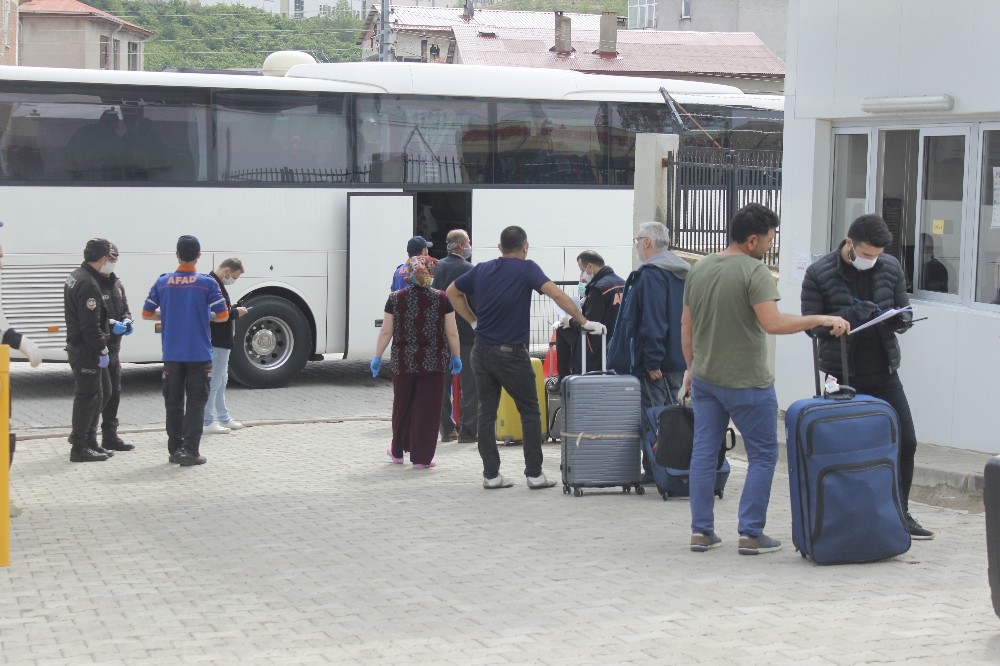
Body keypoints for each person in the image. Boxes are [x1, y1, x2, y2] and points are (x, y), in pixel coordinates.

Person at [681, 203, 850, 554]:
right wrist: (819, 318)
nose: (770, 246)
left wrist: (691, 368)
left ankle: (701, 531)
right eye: (770, 239)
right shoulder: (754, 271)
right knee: (762, 456)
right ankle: (750, 532)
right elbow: (772, 323)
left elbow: (687, 324)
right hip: (747, 383)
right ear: (752, 239)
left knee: (703, 453)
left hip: (706, 378)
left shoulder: (700, 268)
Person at [802, 214, 933, 540]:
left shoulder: (889, 267)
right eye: (866, 254)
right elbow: (811, 326)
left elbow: (902, 309)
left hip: (884, 371)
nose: (871, 261)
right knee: (848, 449)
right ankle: (848, 517)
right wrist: (846, 317)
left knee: (906, 442)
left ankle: (900, 514)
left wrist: (899, 320)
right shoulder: (819, 273)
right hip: (842, 373)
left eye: (876, 255)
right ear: (849, 243)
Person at [447, 225, 607, 490]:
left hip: (481, 350)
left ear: (499, 248)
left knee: (485, 412)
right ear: (525, 247)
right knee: (530, 411)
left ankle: (491, 475)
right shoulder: (527, 268)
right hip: (510, 353)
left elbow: (452, 291)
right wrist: (584, 321)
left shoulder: (481, 268)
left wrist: (473, 321)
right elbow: (555, 293)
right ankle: (534, 474)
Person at [607, 222, 689, 482]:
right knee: (670, 413)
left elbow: (653, 321)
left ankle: (659, 470)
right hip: (677, 358)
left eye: (637, 239)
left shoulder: (653, 274)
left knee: (655, 417)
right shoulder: (683, 272)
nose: (636, 244)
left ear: (647, 242)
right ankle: (672, 466)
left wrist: (652, 361)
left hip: (657, 363)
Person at [142, 235, 229, 467]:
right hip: (199, 355)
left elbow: (146, 313)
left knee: (173, 403)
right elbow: (223, 315)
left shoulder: (163, 282)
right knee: (196, 403)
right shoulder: (207, 283)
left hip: (171, 354)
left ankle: (174, 450)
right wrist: (205, 315)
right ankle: (191, 452)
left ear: (177, 255)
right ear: (198, 256)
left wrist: (166, 315)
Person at [371, 255, 462, 468]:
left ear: (409, 275)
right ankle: (422, 459)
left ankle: (397, 452)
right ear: (431, 274)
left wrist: (377, 356)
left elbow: (386, 331)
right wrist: (456, 356)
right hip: (434, 362)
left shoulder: (395, 298)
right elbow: (452, 332)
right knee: (428, 410)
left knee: (402, 407)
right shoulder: (442, 298)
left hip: (403, 362)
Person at [63, 238, 119, 463]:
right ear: (103, 258)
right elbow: (90, 325)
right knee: (88, 396)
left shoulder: (78, 276)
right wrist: (103, 348)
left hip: (86, 348)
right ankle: (79, 446)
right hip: (87, 350)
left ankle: (90, 440)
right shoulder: (87, 283)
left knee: (102, 392)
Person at [431, 229, 478, 443]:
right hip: (465, 334)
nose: (470, 245)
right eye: (468, 242)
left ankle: (447, 430)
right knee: (470, 384)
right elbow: (475, 301)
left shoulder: (436, 267)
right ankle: (468, 431)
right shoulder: (469, 269)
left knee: (442, 385)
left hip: (440, 334)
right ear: (461, 246)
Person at [556, 250, 625, 377]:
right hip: (618, 343)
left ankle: (563, 378)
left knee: (561, 329)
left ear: (590, 267)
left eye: (582, 270)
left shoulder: (598, 289)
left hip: (595, 345)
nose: (581, 275)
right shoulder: (623, 283)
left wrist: (570, 321)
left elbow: (588, 323)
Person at [97, 243, 136, 453]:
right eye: (110, 258)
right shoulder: (93, 283)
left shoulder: (116, 283)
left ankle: (110, 436)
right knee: (100, 394)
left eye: (115, 258)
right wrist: (113, 324)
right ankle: (86, 436)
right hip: (99, 347)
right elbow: (95, 317)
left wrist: (127, 321)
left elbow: (125, 309)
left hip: (114, 348)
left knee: (115, 393)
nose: (112, 262)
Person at [204, 258, 249, 435]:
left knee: (221, 381)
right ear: (226, 272)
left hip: (223, 342)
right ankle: (207, 420)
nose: (233, 281)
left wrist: (232, 309)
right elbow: (214, 314)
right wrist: (235, 313)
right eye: (234, 277)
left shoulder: (215, 284)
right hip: (217, 341)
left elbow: (219, 311)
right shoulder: (212, 284)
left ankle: (223, 417)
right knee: (214, 381)